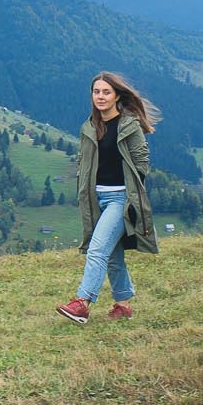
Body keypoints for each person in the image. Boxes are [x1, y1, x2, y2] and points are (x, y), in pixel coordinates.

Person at [57, 71, 160, 323]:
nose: (100, 97)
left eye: (106, 92)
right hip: (95, 199)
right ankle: (123, 305)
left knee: (97, 249)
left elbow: (142, 162)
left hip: (119, 199)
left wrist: (133, 198)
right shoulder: (90, 127)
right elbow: (85, 162)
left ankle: (82, 303)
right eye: (96, 92)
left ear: (116, 96)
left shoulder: (128, 126)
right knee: (112, 254)